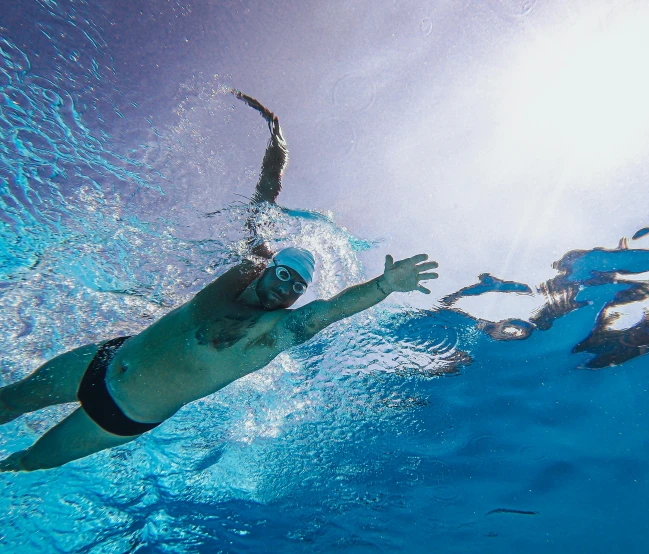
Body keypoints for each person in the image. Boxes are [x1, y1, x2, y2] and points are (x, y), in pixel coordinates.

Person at [0, 92, 439, 472]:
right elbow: (263, 201)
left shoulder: (270, 334)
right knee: (11, 399)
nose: (287, 290)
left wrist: (383, 286)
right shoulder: (243, 273)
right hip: (104, 358)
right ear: (270, 267)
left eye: (297, 288)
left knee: (27, 460)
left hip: (119, 414)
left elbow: (330, 311)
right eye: (285, 275)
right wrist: (277, 146)